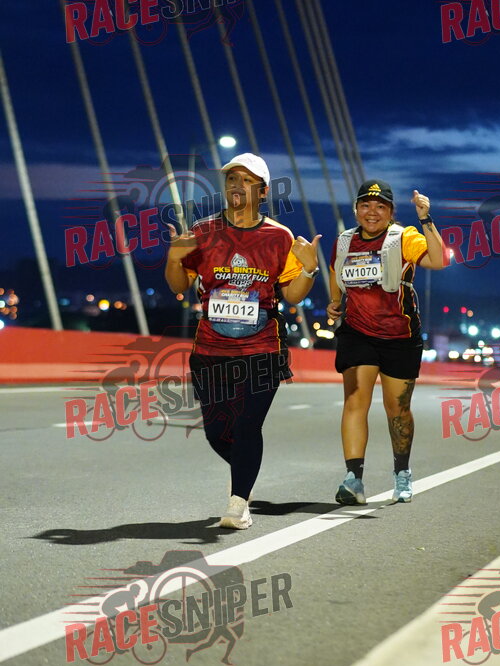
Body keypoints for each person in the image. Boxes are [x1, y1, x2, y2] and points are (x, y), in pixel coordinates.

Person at [165, 152, 321, 529]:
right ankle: (246, 471)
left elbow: (293, 295)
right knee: (217, 433)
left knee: (248, 426)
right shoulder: (202, 232)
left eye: (247, 180)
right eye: (232, 179)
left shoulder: (279, 237)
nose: (237, 185)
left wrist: (310, 268)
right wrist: (173, 259)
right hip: (211, 350)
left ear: (263, 191)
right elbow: (178, 285)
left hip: (262, 348)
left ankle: (238, 503)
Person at [327, 179, 446, 505]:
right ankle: (353, 479)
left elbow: (438, 260)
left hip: (400, 337)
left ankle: (402, 472)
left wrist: (425, 218)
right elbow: (335, 270)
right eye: (365, 205)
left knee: (398, 409)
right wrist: (335, 301)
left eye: (380, 207)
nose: (372, 212)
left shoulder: (403, 237)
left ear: (391, 211)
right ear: (356, 209)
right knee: (355, 401)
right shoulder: (344, 241)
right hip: (357, 333)